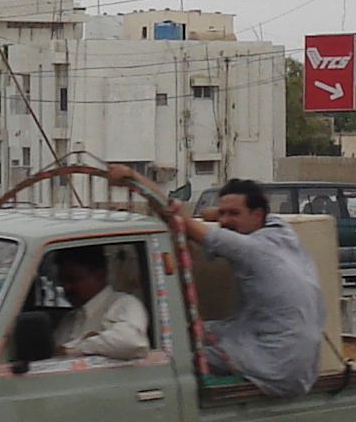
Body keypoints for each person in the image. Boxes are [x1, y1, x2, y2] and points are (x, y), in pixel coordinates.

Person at [121, 169, 323, 399]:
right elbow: (210, 214)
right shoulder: (281, 231)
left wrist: (133, 177)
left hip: (274, 362)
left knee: (179, 352)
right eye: (223, 213)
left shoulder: (249, 249)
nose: (224, 221)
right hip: (293, 354)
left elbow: (177, 219)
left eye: (234, 214)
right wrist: (220, 213)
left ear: (257, 215)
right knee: (195, 329)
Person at [51, 246, 150, 360]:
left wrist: (73, 350)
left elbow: (132, 342)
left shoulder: (124, 304)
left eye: (73, 280)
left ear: (99, 275)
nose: (66, 287)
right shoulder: (69, 320)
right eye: (62, 281)